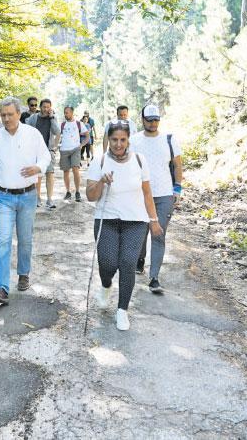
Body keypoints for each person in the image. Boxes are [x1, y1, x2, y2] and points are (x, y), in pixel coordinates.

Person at [86, 122, 162, 330]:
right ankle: (106, 285)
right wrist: (101, 182)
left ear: (128, 140)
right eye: (114, 140)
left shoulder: (139, 160)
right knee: (107, 264)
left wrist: (154, 221)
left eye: (123, 140)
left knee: (128, 263)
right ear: (108, 140)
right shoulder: (99, 161)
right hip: (106, 220)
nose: (118, 144)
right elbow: (91, 196)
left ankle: (122, 311)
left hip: (136, 222)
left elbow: (147, 193)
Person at [0, 97, 51, 305]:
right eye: (2, 115)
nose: (5, 119)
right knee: (3, 241)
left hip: (28, 195)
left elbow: (46, 157)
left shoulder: (33, 134)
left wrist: (38, 168)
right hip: (3, 197)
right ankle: (1, 288)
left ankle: (23, 273)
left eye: (9, 115)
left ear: (19, 113)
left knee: (25, 239)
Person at [129, 104, 183, 295]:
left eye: (156, 120)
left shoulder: (169, 140)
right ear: (142, 119)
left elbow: (177, 165)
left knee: (158, 233)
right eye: (149, 119)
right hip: (140, 194)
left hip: (164, 194)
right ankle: (140, 259)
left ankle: (154, 278)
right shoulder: (134, 140)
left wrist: (178, 188)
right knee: (141, 230)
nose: (153, 123)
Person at [23, 99, 60, 209]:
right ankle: (37, 198)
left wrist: (52, 117)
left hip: (48, 151)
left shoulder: (52, 118)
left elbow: (57, 131)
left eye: (48, 107)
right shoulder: (34, 117)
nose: (46, 109)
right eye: (44, 107)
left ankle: (49, 199)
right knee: (38, 175)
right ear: (40, 107)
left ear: (50, 108)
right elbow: (25, 127)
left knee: (50, 173)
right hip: (35, 150)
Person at [59, 106, 88, 202]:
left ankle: (78, 192)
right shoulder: (62, 124)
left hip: (75, 149)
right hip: (64, 150)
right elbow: (57, 136)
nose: (65, 114)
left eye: (67, 112)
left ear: (72, 113)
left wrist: (81, 145)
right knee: (66, 171)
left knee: (75, 169)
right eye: (65, 112)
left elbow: (87, 136)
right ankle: (68, 192)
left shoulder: (79, 124)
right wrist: (55, 146)